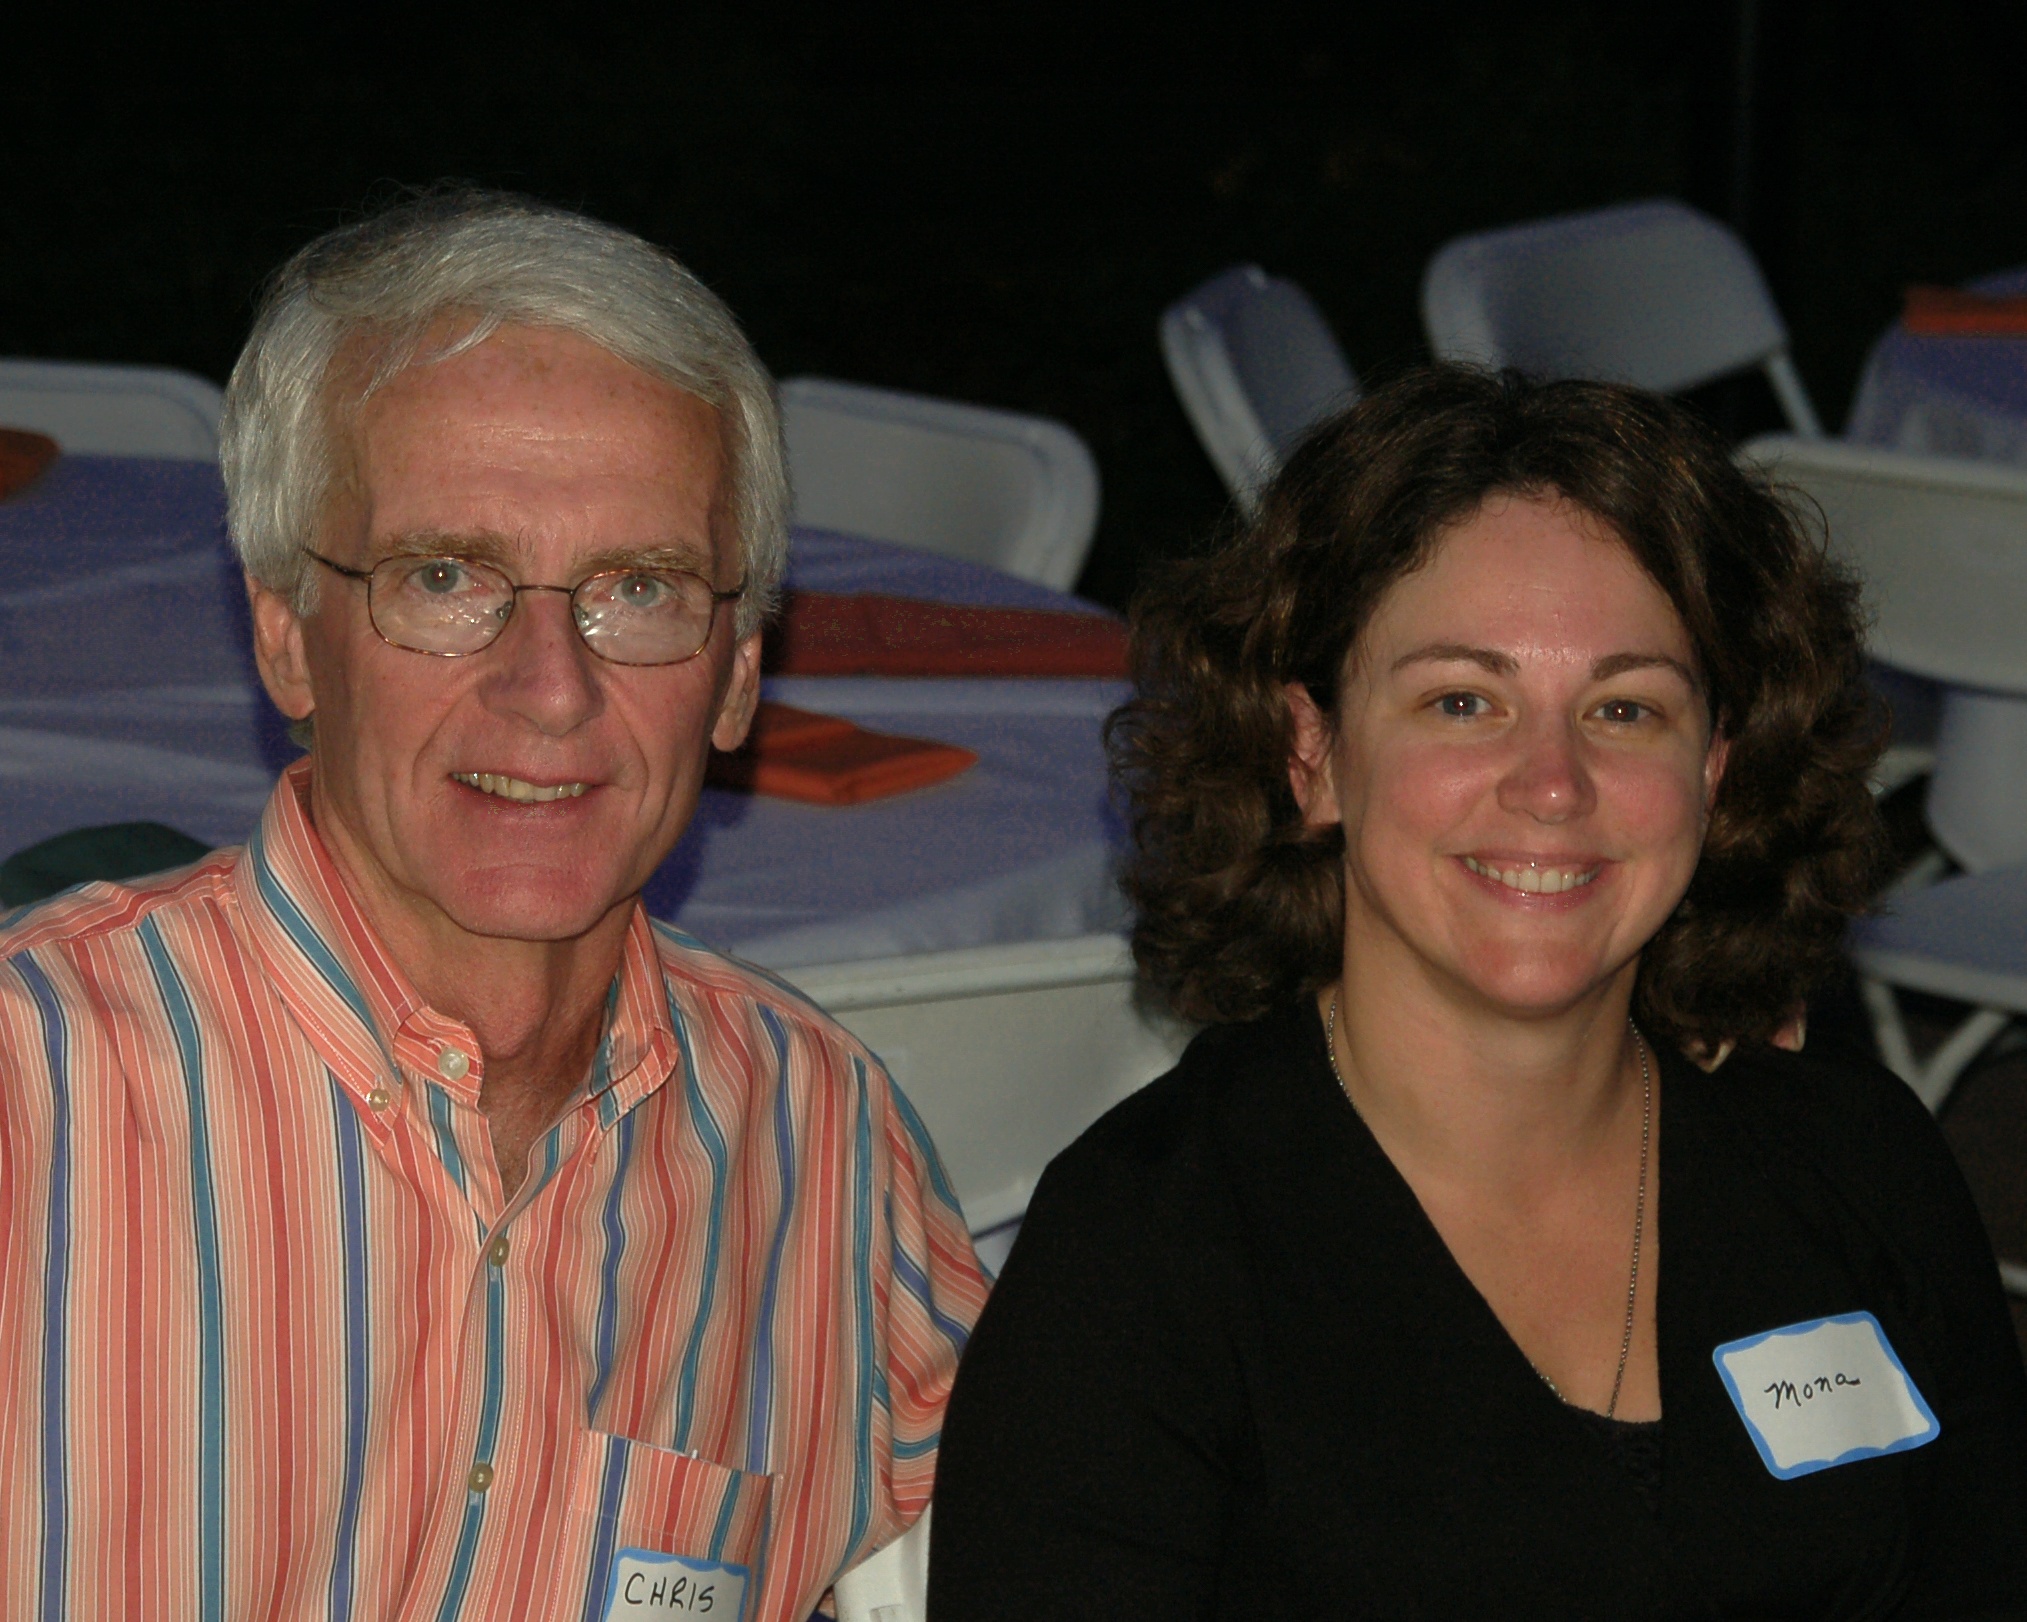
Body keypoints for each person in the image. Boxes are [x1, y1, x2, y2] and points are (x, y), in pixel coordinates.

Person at [0, 190, 987, 1621]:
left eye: (638, 587)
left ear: (734, 673)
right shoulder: (33, 1101)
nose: (550, 687)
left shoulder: (816, 1143)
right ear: (287, 634)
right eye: (446, 576)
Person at [929, 367, 2027, 1617]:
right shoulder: (1146, 1261)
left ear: (1713, 768)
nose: (1550, 781)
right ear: (1313, 753)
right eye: (1461, 700)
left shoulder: (1854, 1164)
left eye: (1624, 707)